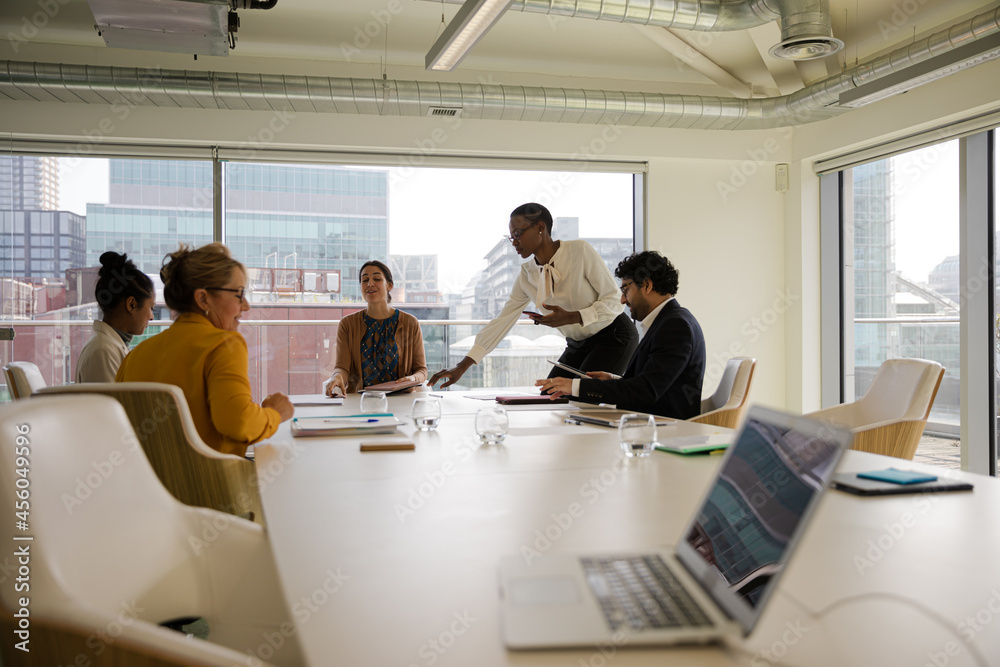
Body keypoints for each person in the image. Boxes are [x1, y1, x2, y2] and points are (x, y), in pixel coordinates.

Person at [429, 202, 638, 388]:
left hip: (613, 336)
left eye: (518, 234)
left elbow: (614, 300)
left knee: (585, 398)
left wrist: (573, 316)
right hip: (577, 344)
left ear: (540, 228)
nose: (514, 242)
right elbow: (502, 322)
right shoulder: (527, 275)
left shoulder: (580, 251)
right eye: (511, 236)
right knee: (549, 395)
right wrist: (462, 366)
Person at [116, 243, 293, 456]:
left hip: (146, 487)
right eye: (238, 294)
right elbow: (240, 423)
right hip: (216, 486)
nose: (245, 306)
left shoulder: (135, 356)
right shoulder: (225, 345)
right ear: (203, 299)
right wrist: (275, 413)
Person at [536, 251, 705, 419]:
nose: (623, 300)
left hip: (665, 431)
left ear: (647, 285)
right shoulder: (669, 321)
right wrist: (614, 380)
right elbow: (654, 382)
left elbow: (647, 391)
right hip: (650, 424)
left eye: (626, 289)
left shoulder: (675, 326)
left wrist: (574, 386)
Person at [324, 260, 427, 396]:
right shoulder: (347, 324)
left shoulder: (410, 323)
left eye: (377, 279)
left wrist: (413, 379)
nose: (370, 284)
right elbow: (342, 368)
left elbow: (421, 370)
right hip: (360, 401)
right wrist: (336, 376)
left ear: (389, 285)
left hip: (401, 400)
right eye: (364, 280)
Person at [76, 251, 155, 383]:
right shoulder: (103, 351)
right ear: (131, 304)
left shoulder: (110, 346)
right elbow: (115, 402)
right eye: (151, 308)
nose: (152, 317)